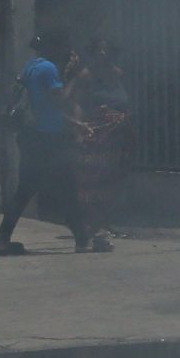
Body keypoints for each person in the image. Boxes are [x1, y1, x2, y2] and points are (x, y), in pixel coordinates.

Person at [0, 34, 103, 256]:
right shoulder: (49, 69)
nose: (66, 53)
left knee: (25, 191)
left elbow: (47, 107)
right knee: (67, 187)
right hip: (48, 140)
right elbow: (60, 100)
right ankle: (83, 241)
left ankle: (1, 241)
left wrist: (76, 123)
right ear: (54, 47)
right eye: (63, 47)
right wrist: (75, 78)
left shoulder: (31, 66)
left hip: (32, 136)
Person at [67, 41, 135, 239]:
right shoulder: (86, 76)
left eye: (107, 50)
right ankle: (93, 223)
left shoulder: (117, 74)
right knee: (94, 179)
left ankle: (106, 222)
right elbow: (77, 102)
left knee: (113, 179)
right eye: (100, 50)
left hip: (118, 135)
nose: (104, 54)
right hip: (96, 132)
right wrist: (79, 129)